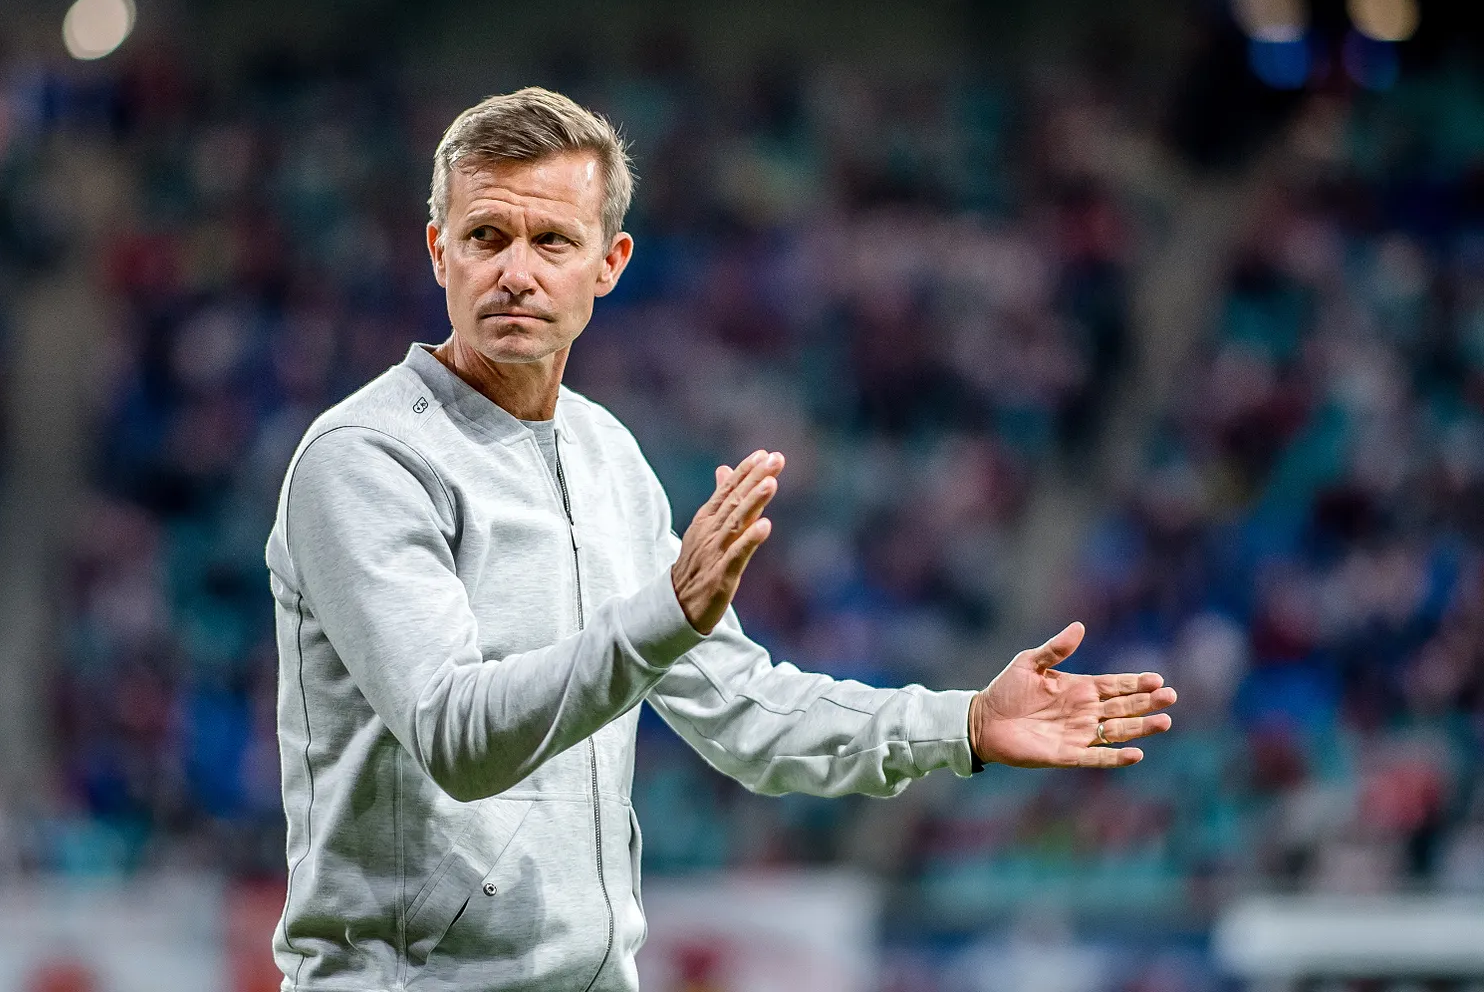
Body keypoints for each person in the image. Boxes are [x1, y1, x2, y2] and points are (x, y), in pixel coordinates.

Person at [263, 88, 1176, 992]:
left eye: (553, 242)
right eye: (486, 237)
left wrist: (963, 722)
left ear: (609, 262)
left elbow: (744, 713)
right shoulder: (367, 462)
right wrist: (664, 614)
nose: (516, 272)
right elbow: (456, 738)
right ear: (439, 252)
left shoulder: (605, 456)